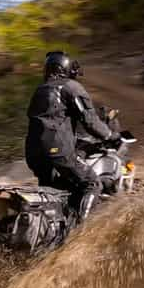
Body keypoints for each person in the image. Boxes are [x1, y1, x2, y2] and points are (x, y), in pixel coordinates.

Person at [25, 51, 117, 221]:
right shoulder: (70, 87)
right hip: (57, 151)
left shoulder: (40, 90)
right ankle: (82, 231)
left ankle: (53, 226)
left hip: (33, 154)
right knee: (92, 183)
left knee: (54, 192)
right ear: (65, 68)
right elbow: (90, 121)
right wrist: (110, 135)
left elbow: (53, 119)